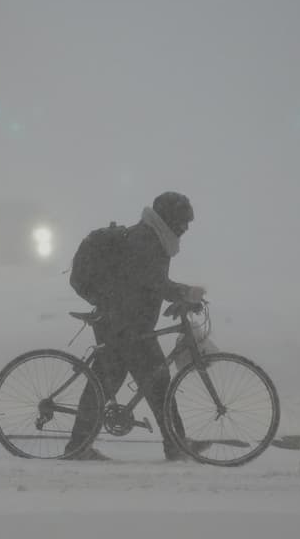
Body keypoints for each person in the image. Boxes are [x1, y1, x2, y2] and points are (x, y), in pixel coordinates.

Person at [65, 191, 206, 461]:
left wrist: (178, 297)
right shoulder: (147, 241)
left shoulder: (154, 238)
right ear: (169, 219)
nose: (185, 228)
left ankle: (77, 446)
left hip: (123, 322)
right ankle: (176, 445)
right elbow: (153, 280)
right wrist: (185, 293)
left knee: (105, 385)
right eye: (183, 221)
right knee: (158, 384)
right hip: (126, 327)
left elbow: (147, 284)